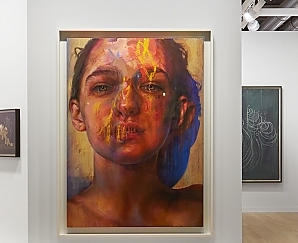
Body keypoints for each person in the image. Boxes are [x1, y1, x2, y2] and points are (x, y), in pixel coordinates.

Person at [67, 37, 203, 228]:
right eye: (103, 87)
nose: (126, 104)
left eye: (150, 86)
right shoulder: (60, 218)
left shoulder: (204, 210)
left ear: (178, 113)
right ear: (78, 114)